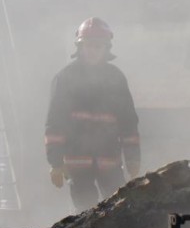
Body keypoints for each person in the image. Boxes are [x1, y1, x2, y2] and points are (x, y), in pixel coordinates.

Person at [45, 17, 140, 212]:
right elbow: (55, 123)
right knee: (85, 214)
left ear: (106, 48)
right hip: (77, 162)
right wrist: (55, 163)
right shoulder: (65, 78)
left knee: (118, 211)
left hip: (110, 162)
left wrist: (133, 157)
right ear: (80, 47)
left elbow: (128, 122)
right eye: (88, 45)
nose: (93, 50)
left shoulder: (116, 78)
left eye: (98, 46)